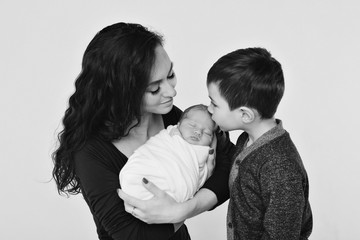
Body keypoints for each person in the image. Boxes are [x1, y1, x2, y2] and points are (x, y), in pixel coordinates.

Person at [52, 22, 230, 240]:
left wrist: (184, 209)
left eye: (171, 74)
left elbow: (231, 164)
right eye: (155, 88)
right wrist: (196, 193)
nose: (171, 90)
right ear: (122, 92)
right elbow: (134, 235)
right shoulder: (90, 152)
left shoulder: (171, 117)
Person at [206, 47, 313, 239]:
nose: (209, 109)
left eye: (214, 104)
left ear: (245, 115)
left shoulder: (279, 167)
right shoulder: (246, 139)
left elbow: (281, 235)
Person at [120, 104, 217, 203]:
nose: (198, 132)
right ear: (178, 125)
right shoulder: (169, 136)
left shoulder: (203, 152)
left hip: (173, 193)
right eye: (192, 125)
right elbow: (152, 151)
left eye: (207, 133)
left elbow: (199, 177)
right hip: (145, 173)